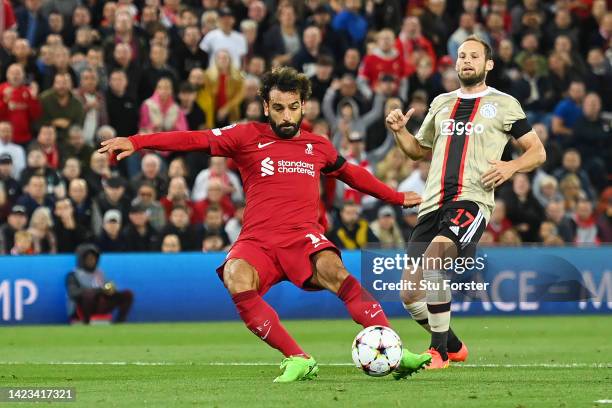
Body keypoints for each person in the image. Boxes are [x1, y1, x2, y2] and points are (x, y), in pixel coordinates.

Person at [99, 66, 430, 383]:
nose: (287, 116)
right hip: (258, 241)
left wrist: (396, 197)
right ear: (265, 107)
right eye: (279, 108)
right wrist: (138, 141)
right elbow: (193, 139)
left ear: (304, 106)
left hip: (303, 238)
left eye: (293, 107)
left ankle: (395, 353)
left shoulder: (319, 145)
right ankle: (298, 358)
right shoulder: (245, 136)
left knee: (335, 270)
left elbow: (352, 174)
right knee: (234, 275)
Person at [387, 36, 546, 369]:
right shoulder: (442, 102)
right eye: (461, 56)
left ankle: (438, 353)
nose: (467, 61)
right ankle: (454, 345)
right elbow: (418, 150)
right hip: (432, 203)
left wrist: (511, 165)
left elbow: (537, 151)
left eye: (474, 56)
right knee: (409, 294)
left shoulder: (504, 103)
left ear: (489, 64)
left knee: (433, 264)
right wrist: (400, 131)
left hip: (470, 200)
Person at [65, 243, 134, 323]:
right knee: (88, 296)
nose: (92, 261)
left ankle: (120, 321)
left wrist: (110, 287)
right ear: (82, 259)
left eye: (94, 258)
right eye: (88, 258)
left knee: (127, 294)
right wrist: (97, 291)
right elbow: (73, 293)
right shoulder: (73, 275)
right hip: (82, 310)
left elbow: (105, 286)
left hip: (100, 304)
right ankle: (86, 323)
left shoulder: (100, 273)